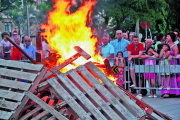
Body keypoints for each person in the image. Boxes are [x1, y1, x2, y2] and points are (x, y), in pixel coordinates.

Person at [161, 32, 180, 98]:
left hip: (172, 63)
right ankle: (166, 92)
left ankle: (173, 92)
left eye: (168, 36)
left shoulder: (175, 46)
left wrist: (172, 56)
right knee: (165, 76)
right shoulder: (165, 45)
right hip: (165, 63)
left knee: (172, 77)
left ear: (171, 37)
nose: (167, 37)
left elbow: (176, 55)